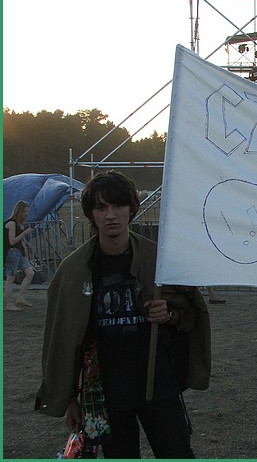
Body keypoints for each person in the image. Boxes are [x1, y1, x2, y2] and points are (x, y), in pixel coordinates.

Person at [35, 171, 211, 458]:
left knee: (176, 452)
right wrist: (69, 399)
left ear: (131, 208)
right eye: (101, 207)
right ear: (91, 214)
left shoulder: (158, 259)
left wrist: (168, 315)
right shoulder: (73, 271)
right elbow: (61, 340)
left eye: (118, 205)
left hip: (157, 382)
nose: (110, 215)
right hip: (106, 389)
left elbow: (190, 311)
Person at [3, 200, 35, 311]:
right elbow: (12, 241)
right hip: (12, 252)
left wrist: (25, 251)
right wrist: (24, 233)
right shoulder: (11, 223)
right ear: (19, 211)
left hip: (19, 252)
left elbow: (19, 241)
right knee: (10, 278)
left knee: (30, 273)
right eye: (24, 211)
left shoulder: (18, 223)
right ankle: (9, 304)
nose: (26, 214)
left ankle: (21, 298)